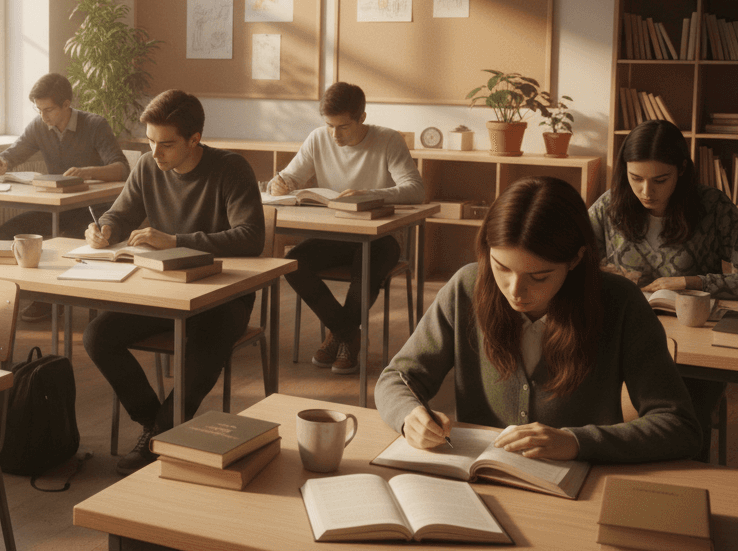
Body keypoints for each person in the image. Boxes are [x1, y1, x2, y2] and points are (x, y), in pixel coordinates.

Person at [377, 176, 701, 464]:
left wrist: (576, 442)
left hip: (581, 489)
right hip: (481, 480)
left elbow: (679, 425)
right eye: (502, 268)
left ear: (575, 259)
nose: (515, 291)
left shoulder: (621, 302)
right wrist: (409, 416)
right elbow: (396, 379)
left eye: (539, 276)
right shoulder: (466, 287)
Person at [81, 89, 264, 474]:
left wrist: (177, 241)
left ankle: (160, 435)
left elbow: (250, 236)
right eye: (149, 141)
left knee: (206, 340)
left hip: (223, 295)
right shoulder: (148, 167)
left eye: (166, 144)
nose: (155, 152)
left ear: (194, 139)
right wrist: (104, 229)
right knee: (98, 335)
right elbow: (120, 214)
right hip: (165, 289)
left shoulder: (231, 168)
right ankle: (158, 425)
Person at [588, 119, 738, 461]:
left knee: (684, 422)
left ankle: (689, 480)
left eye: (660, 180)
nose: (646, 191)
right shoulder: (609, 205)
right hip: (623, 335)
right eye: (635, 178)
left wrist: (691, 282)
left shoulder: (713, 207)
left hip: (692, 341)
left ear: (682, 170)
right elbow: (572, 262)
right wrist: (606, 273)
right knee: (603, 412)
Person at [267, 82, 422, 374]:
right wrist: (280, 184)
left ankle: (340, 336)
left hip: (383, 237)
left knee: (365, 267)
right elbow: (289, 178)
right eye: (329, 126)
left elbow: (416, 190)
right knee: (293, 263)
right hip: (337, 234)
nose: (335, 135)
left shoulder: (388, 139)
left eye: (343, 127)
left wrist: (370, 194)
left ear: (362, 118)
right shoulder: (318, 138)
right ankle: (347, 333)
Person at [0, 72, 129, 321]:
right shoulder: (39, 126)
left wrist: (87, 172)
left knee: (66, 243)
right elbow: (15, 152)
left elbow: (122, 168)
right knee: (6, 234)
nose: (43, 117)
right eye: (39, 110)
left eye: (49, 110)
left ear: (67, 104)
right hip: (57, 209)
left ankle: (54, 299)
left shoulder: (95, 124)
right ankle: (26, 297)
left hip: (93, 210)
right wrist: (2, 162)